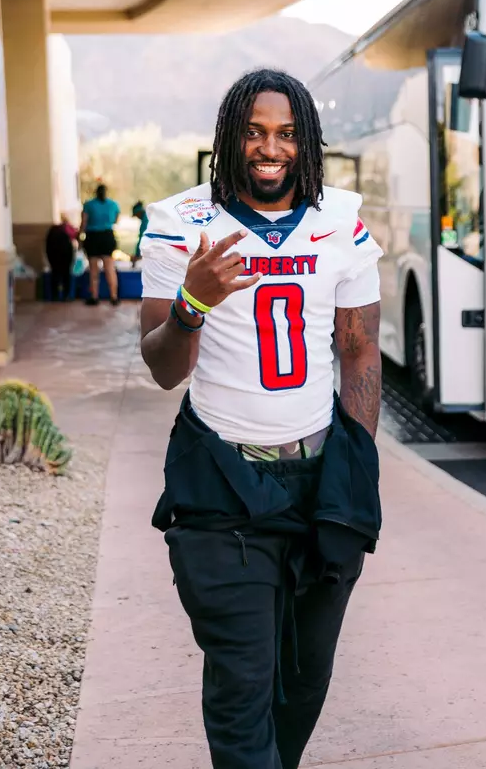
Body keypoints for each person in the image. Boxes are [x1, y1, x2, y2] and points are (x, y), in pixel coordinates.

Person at [139, 68, 382, 769]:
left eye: (285, 133)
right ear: (228, 139)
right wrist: (193, 302)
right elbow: (161, 367)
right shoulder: (182, 223)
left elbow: (359, 350)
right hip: (221, 486)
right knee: (244, 680)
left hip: (318, 481)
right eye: (252, 132)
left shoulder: (341, 220)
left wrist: (355, 469)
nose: (268, 148)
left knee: (303, 681)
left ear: (306, 142)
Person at [80, 184, 120, 306]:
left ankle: (94, 297)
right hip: (107, 236)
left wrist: (80, 237)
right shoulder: (113, 205)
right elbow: (115, 220)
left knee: (93, 269)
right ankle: (113, 297)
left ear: (95, 193)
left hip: (93, 237)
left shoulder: (88, 205)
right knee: (109, 267)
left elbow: (84, 223)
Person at [44, 215, 77, 302]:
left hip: (54, 253)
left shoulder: (53, 231)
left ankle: (55, 295)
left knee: (55, 274)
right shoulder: (67, 230)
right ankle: (66, 295)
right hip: (65, 254)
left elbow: (48, 248)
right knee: (66, 274)